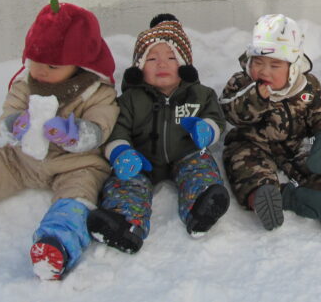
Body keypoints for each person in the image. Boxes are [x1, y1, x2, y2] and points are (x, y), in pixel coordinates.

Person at [0, 0, 119, 280]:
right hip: (21, 159)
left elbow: (102, 125)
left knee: (79, 196)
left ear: (79, 64)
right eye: (36, 61)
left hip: (76, 164)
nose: (41, 70)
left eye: (52, 65)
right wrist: (15, 124)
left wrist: (76, 133)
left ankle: (56, 245)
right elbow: (9, 111)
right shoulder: (27, 84)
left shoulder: (96, 91)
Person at [87, 14, 229, 253]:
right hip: (140, 159)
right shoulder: (130, 99)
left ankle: (201, 209)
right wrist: (121, 152)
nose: (162, 64)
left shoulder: (200, 94)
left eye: (171, 58)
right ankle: (124, 226)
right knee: (126, 184)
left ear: (184, 65)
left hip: (186, 154)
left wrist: (208, 129)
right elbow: (117, 127)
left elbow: (216, 117)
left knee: (200, 169)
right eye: (151, 59)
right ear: (139, 68)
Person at [220, 14, 321, 231]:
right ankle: (275, 198)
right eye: (258, 62)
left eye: (274, 65)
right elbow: (229, 110)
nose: (264, 71)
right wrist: (255, 97)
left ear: (293, 66)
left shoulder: (307, 86)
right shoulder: (242, 83)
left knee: (320, 167)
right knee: (246, 171)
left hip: (296, 144)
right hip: (252, 144)